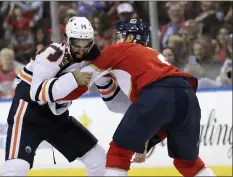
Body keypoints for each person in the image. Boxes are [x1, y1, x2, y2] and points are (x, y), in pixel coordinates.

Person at [62, 19, 216, 176]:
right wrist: (142, 140)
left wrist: (53, 94)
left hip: (158, 94)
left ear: (129, 38)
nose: (116, 40)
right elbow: (145, 110)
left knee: (118, 154)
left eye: (120, 35)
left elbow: (83, 79)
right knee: (188, 163)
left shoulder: (118, 50)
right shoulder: (151, 54)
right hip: (187, 96)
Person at [0, 16, 106, 176]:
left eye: (86, 43)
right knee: (17, 168)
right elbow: (36, 94)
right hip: (28, 114)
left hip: (57, 117)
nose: (82, 49)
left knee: (98, 160)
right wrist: (73, 79)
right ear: (67, 39)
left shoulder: (94, 57)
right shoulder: (52, 55)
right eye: (77, 42)